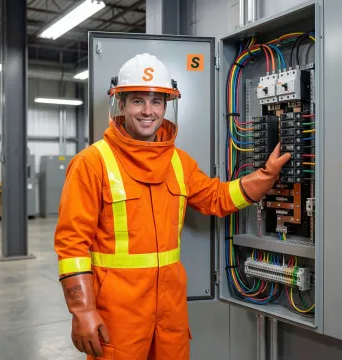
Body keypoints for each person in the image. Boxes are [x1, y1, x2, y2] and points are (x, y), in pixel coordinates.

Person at [54, 53, 291, 360]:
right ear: (121, 105)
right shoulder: (91, 163)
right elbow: (71, 246)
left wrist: (265, 176)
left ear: (166, 107)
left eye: (157, 101)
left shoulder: (179, 162)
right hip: (117, 311)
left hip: (170, 309)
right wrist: (82, 309)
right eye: (138, 101)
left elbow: (216, 197)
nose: (147, 111)